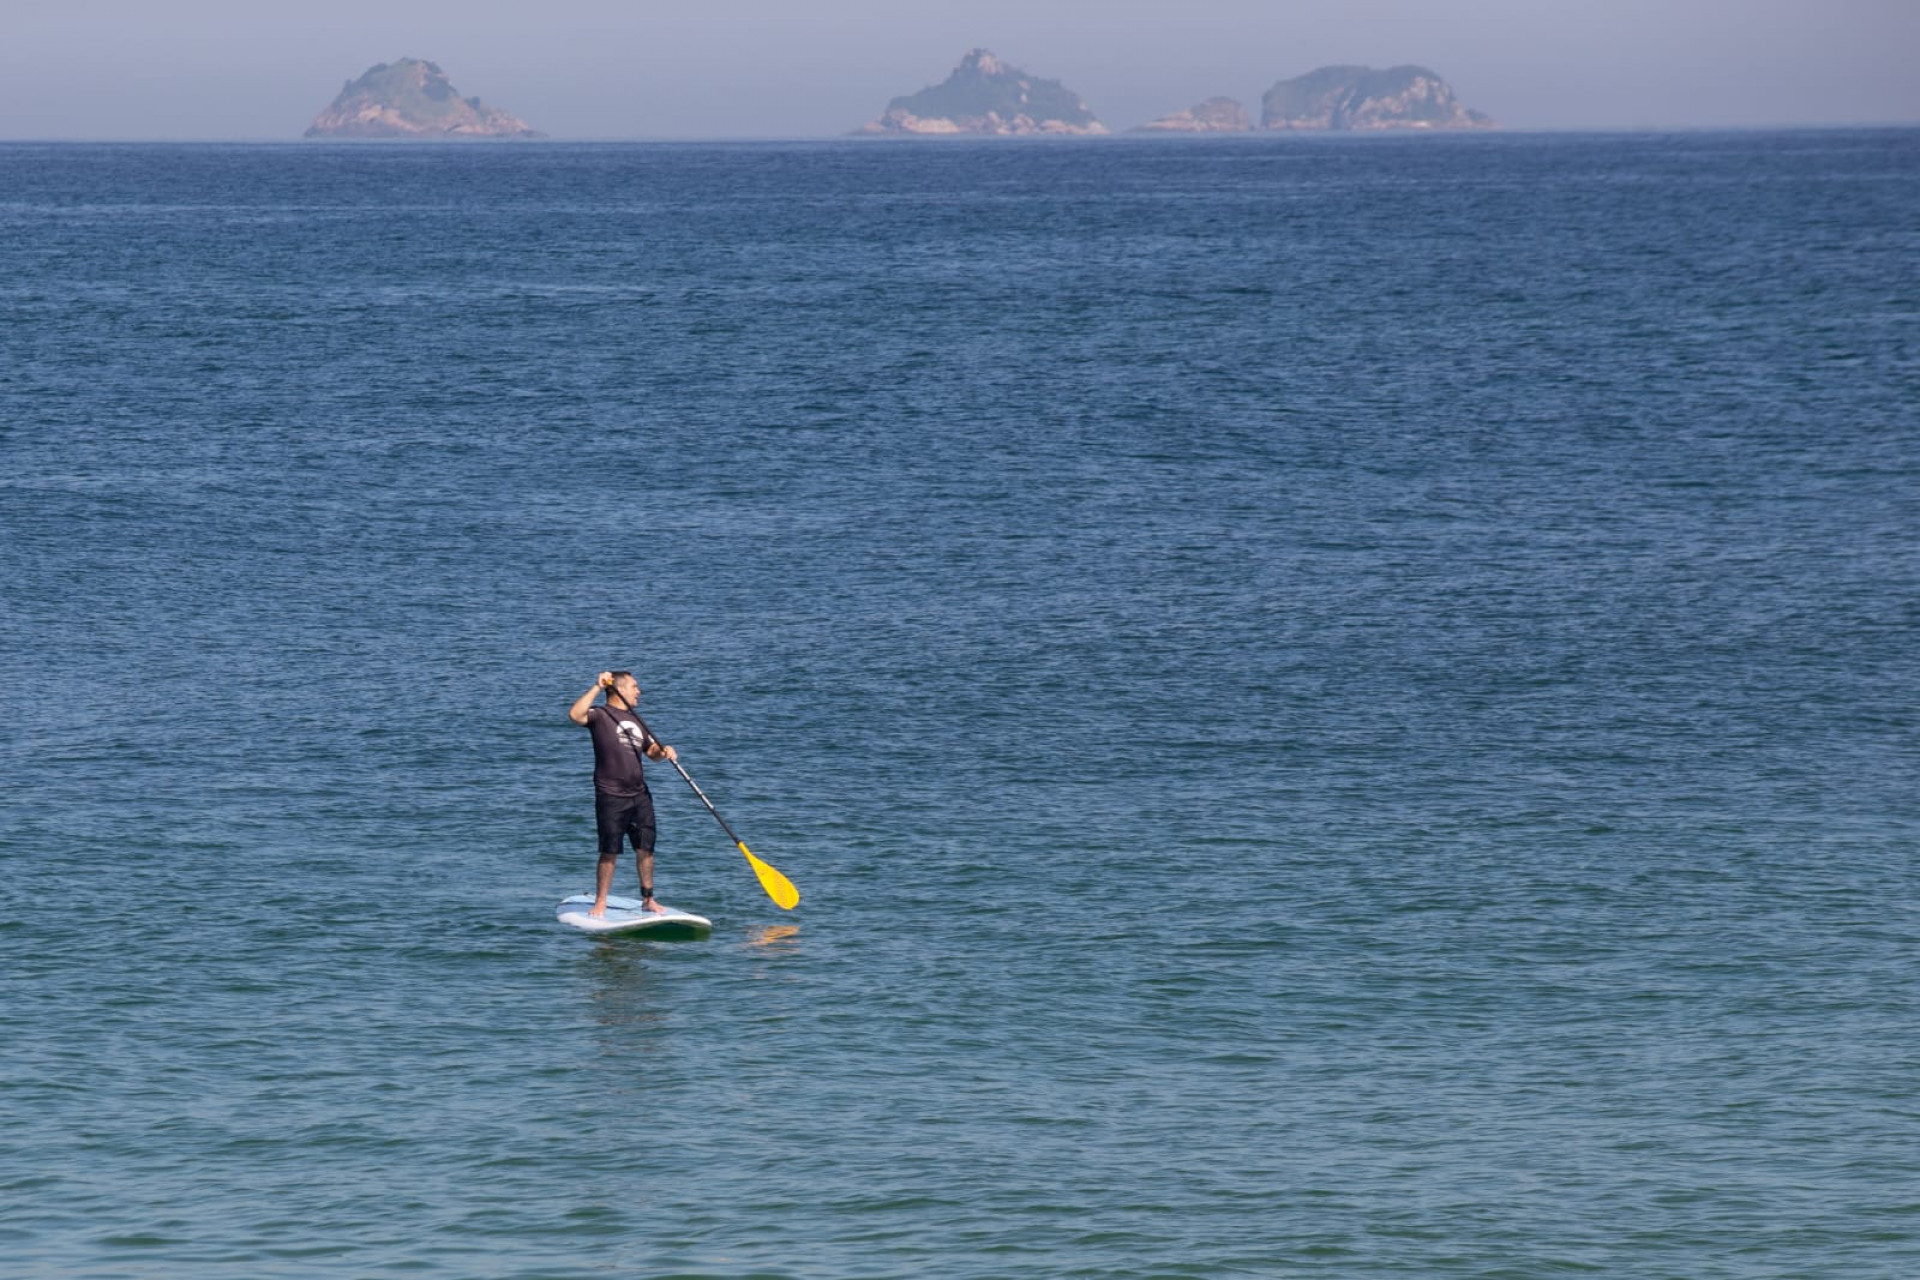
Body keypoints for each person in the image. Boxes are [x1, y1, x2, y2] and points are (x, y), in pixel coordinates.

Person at [569, 671, 678, 917]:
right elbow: (574, 715)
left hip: (639, 795)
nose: (639, 691)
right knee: (609, 851)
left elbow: (651, 752)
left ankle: (648, 899)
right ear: (618, 689)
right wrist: (597, 686)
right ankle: (600, 901)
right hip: (611, 795)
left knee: (646, 849)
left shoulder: (637, 720)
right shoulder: (600, 715)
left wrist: (664, 751)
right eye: (634, 686)